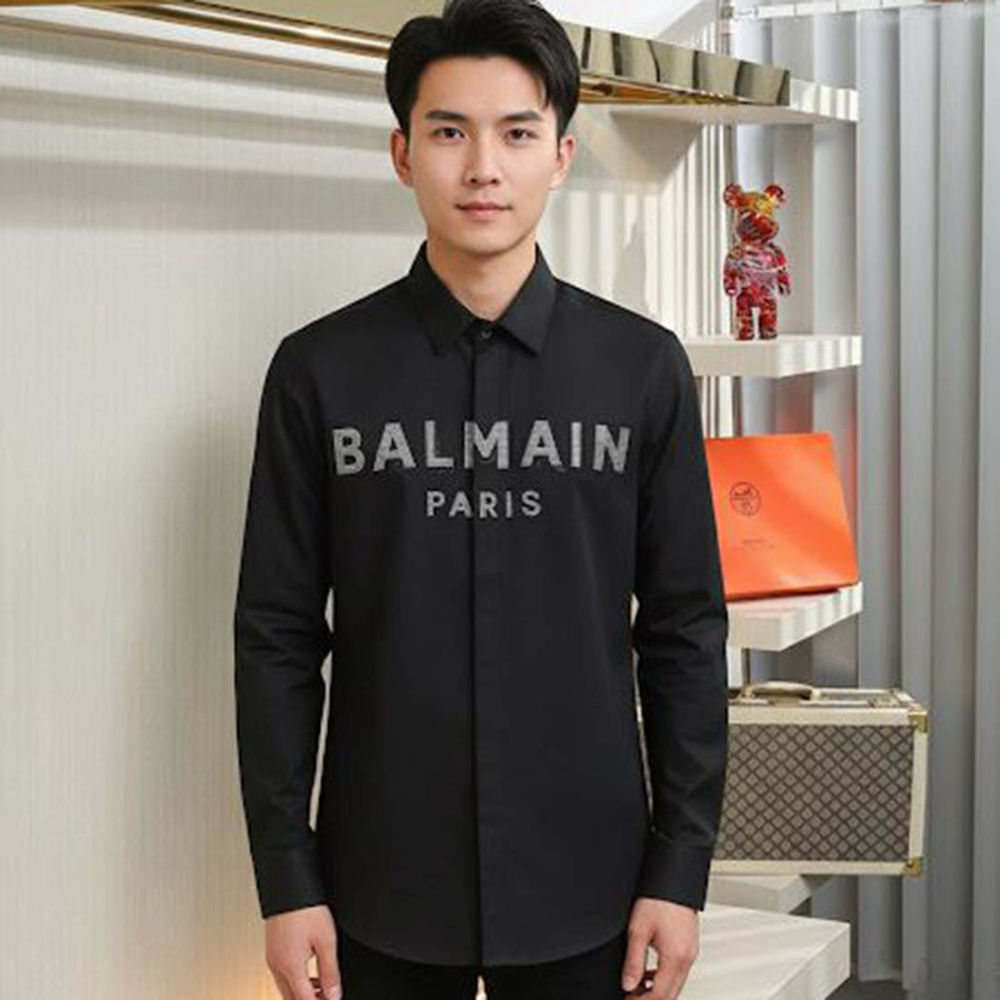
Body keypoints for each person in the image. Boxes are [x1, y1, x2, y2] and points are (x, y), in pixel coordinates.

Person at [233, 1, 730, 998]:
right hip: (377, 883)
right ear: (402, 153)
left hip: (593, 880)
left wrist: (679, 872)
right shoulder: (318, 371)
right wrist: (287, 881)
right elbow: (277, 637)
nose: (483, 168)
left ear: (562, 155)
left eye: (518, 133)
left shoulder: (641, 369)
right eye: (449, 132)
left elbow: (683, 630)